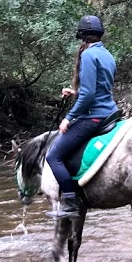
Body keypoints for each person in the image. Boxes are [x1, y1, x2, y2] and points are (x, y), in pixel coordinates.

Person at [45, 15, 119, 219]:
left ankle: (70, 201)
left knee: (54, 156)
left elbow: (88, 95)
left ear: (83, 36)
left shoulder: (88, 56)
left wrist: (68, 117)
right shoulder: (108, 55)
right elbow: (99, 90)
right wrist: (74, 93)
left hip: (94, 116)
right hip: (110, 112)